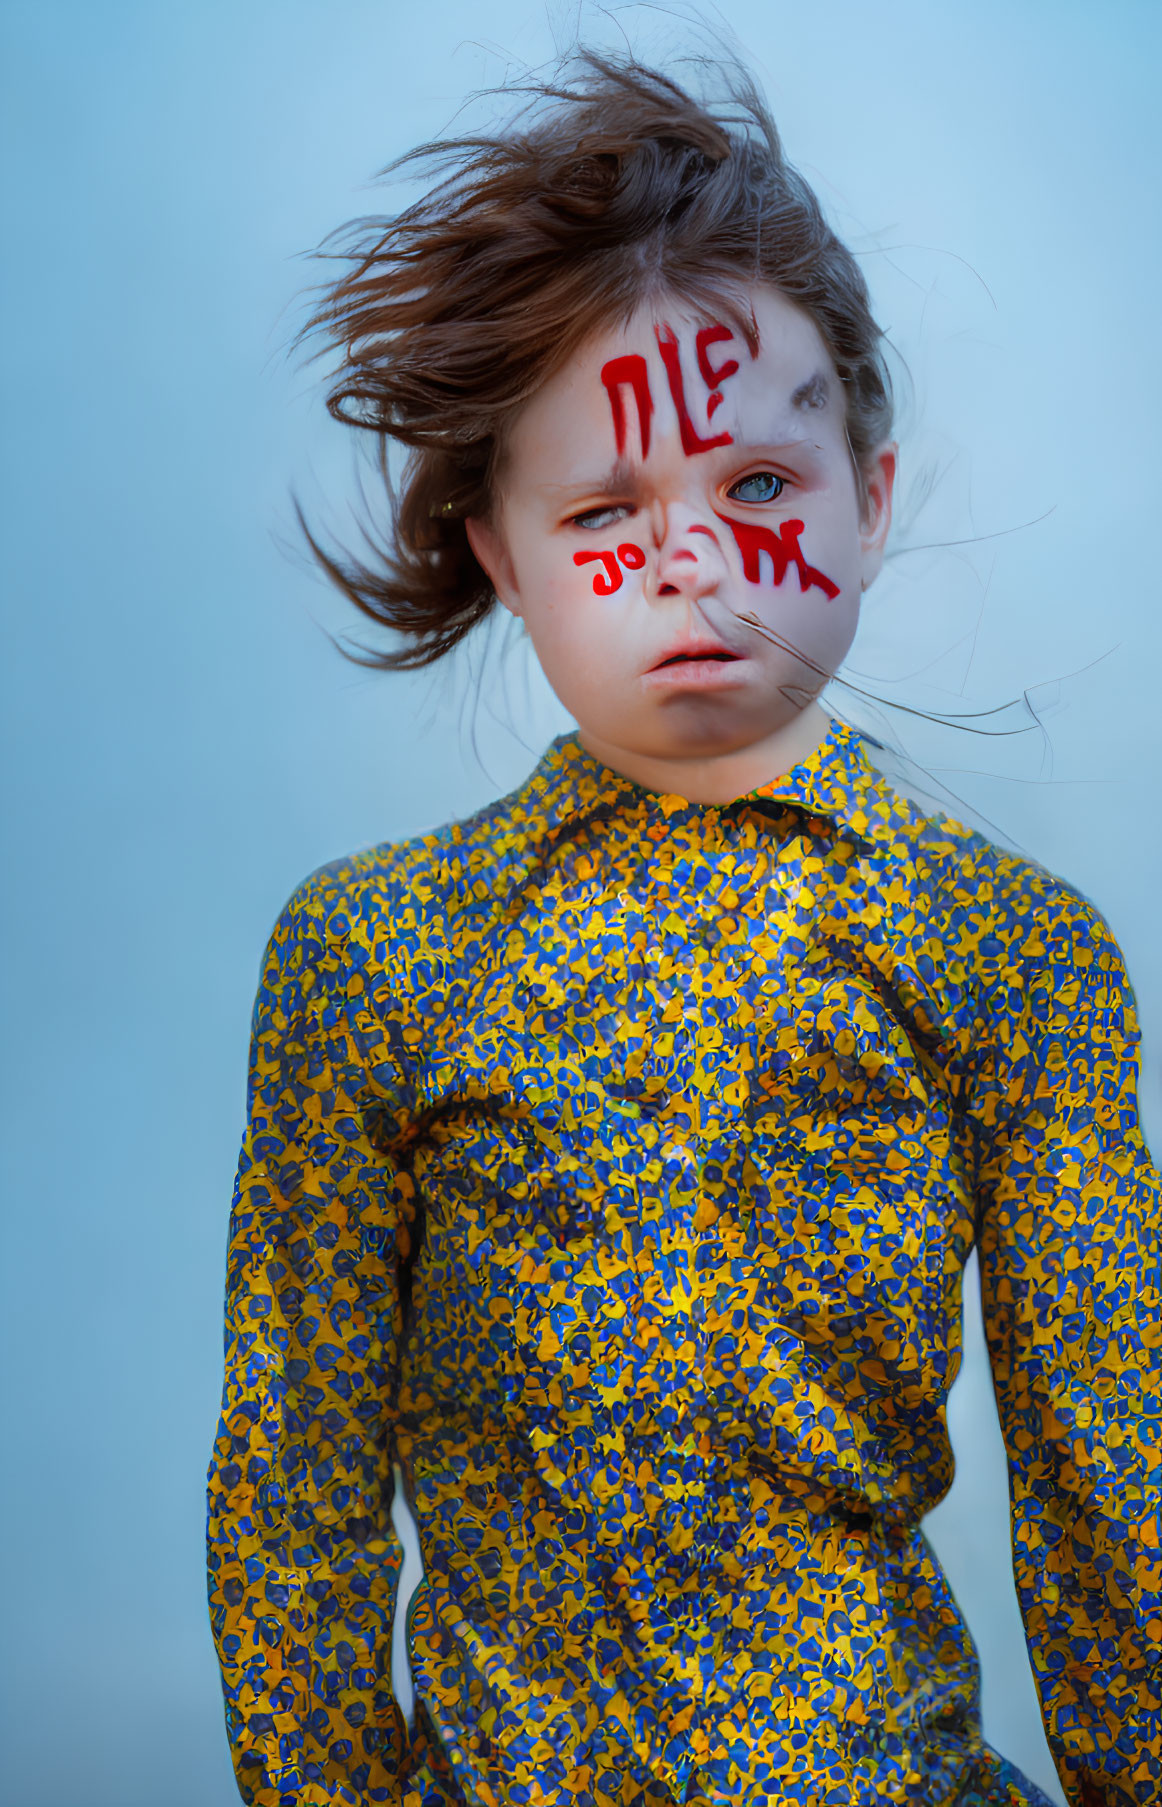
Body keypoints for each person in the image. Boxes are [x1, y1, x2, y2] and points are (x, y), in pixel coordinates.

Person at [205, 51, 1160, 1807]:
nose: (689, 564)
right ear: (500, 552)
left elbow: (1113, 1473)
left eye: (762, 491)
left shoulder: (1014, 956)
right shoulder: (370, 962)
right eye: (601, 514)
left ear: (869, 500)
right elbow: (297, 1488)